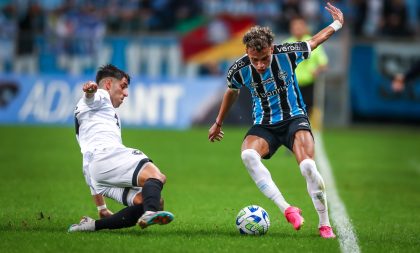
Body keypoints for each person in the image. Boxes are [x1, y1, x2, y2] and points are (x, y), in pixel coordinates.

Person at [208, 2, 344, 239]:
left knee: (308, 166)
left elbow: (315, 40)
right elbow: (232, 91)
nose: (259, 65)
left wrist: (337, 23)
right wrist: (218, 122)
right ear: (247, 53)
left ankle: (325, 223)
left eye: (264, 58)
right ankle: (287, 209)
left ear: (272, 48)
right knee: (248, 155)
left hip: (294, 118)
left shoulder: (288, 53)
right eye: (254, 59)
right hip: (265, 124)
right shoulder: (238, 69)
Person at [68, 64, 174, 232]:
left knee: (150, 199)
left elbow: (88, 166)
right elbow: (91, 97)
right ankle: (150, 213)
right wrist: (90, 91)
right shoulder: (100, 97)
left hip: (98, 171)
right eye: (123, 86)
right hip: (107, 157)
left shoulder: (93, 120)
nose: (125, 93)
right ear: (109, 84)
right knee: (156, 176)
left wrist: (101, 208)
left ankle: (92, 225)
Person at [284, 16, 329, 118]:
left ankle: (309, 131)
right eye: (295, 27)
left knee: (308, 111)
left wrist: (318, 70)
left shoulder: (312, 43)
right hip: (292, 85)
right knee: (292, 111)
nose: (297, 29)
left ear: (304, 28)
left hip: (309, 84)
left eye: (299, 27)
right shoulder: (286, 44)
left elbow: (324, 64)